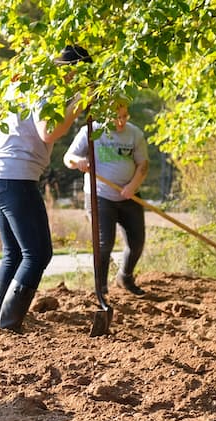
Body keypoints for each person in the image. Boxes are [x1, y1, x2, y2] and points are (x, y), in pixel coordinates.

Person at [0, 45, 89, 332]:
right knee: (37, 254)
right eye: (80, 76)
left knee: (14, 253)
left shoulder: (21, 83)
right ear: (72, 71)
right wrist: (79, 101)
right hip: (13, 178)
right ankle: (7, 326)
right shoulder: (47, 89)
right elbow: (48, 131)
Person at [63, 98, 150, 295]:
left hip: (129, 195)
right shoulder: (91, 131)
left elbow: (143, 165)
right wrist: (79, 161)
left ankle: (125, 277)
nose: (121, 122)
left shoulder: (134, 133)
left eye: (124, 116)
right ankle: (100, 288)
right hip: (100, 195)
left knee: (137, 242)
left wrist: (131, 186)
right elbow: (68, 157)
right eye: (116, 117)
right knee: (105, 243)